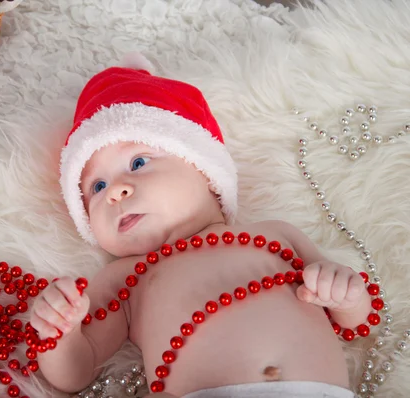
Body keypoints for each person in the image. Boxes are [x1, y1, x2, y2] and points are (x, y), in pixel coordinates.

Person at [29, 54, 372, 398]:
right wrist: (60, 334)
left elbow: (356, 324)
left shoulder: (274, 235)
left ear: (206, 172)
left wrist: (345, 294)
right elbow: (76, 373)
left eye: (138, 162)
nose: (115, 192)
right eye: (96, 188)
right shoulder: (127, 278)